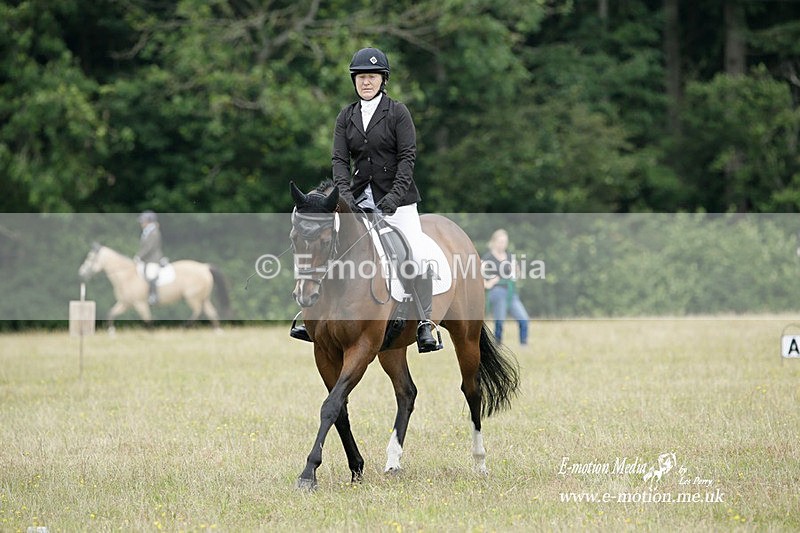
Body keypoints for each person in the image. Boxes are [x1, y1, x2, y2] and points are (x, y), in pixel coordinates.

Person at [331, 46, 440, 352]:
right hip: (357, 200)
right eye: (362, 77)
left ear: (382, 80)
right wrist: (344, 195)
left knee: (415, 255)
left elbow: (407, 158)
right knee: (327, 246)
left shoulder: (397, 112)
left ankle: (424, 324)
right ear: (355, 80)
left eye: (373, 77)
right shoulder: (346, 116)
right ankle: (314, 317)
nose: (367, 82)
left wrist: (392, 198)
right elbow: (340, 159)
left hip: (398, 202)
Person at [482, 229, 529, 345]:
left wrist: (516, 270)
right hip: (497, 292)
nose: (503, 244)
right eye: (500, 241)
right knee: (499, 322)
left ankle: (524, 345)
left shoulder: (509, 256)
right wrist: (488, 283)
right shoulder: (488, 257)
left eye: (505, 242)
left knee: (524, 319)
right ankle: (497, 346)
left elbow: (518, 274)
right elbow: (478, 274)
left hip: (511, 292)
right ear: (494, 242)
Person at [134, 210, 164, 305]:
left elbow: (149, 247)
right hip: (147, 259)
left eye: (143, 221)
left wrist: (139, 256)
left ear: (149, 221)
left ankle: (153, 296)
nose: (142, 223)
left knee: (151, 274)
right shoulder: (147, 232)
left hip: (153, 259)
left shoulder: (154, 232)